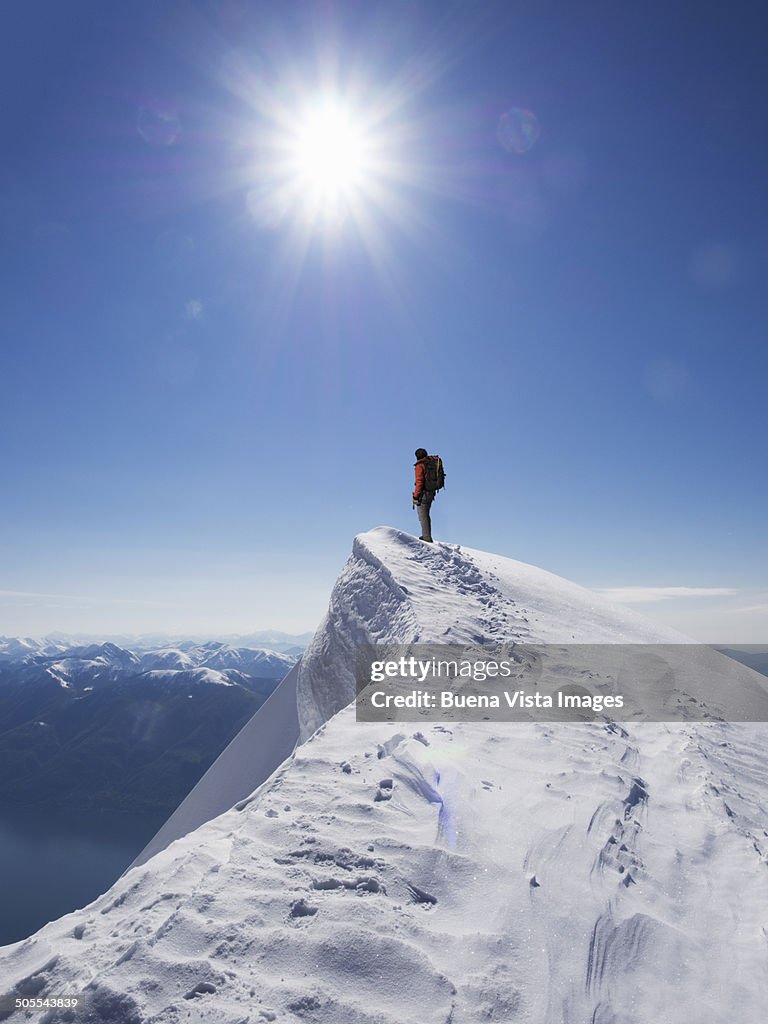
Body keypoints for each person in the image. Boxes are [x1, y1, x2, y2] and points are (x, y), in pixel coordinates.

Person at [413, 447, 435, 543]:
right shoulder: (430, 463)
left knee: (423, 516)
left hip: (423, 494)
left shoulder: (420, 466)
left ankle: (426, 537)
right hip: (431, 492)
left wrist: (415, 496)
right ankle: (426, 535)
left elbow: (419, 482)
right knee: (426, 514)